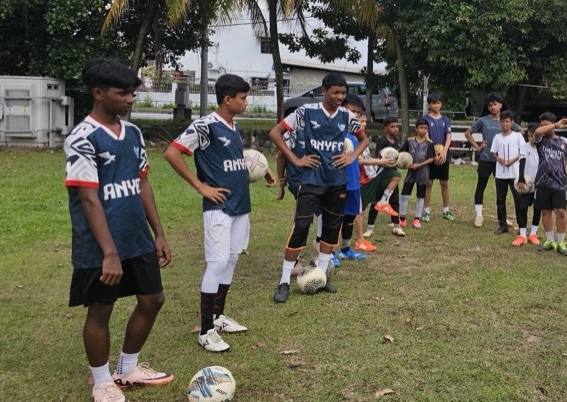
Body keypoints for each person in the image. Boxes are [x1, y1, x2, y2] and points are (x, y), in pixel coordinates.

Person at [65, 58, 174, 402]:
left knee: (153, 299)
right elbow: (89, 198)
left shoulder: (134, 133)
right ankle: (101, 382)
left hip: (136, 237)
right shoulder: (82, 137)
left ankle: (127, 369)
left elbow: (142, 184)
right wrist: (108, 252)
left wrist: (158, 232)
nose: (130, 99)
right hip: (99, 245)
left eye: (132, 93)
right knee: (101, 308)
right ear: (98, 94)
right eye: (122, 93)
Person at [164, 74, 275, 352]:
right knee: (216, 263)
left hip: (240, 204)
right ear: (228, 99)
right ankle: (205, 331)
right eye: (243, 98)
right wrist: (200, 186)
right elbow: (172, 153)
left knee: (232, 259)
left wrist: (265, 169)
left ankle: (218, 317)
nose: (246, 102)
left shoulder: (233, 125)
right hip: (218, 207)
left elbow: (239, 159)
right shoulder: (205, 126)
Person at [268, 72, 368, 303]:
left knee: (332, 229)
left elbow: (363, 138)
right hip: (311, 180)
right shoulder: (306, 111)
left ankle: (322, 275)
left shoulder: (345, 115)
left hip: (336, 181)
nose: (340, 97)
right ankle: (284, 280)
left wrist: (352, 156)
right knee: (301, 226)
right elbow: (275, 133)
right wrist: (295, 160)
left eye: (343, 93)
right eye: (335, 92)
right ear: (324, 91)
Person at [465, 92, 520, 228]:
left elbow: (520, 131)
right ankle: (479, 215)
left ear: (500, 105)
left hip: (502, 162)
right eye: (490, 105)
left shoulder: (506, 120)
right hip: (485, 159)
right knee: (481, 186)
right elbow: (468, 133)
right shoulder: (483, 120)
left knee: (502, 190)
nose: (492, 107)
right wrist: (478, 147)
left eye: (495, 104)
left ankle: (503, 218)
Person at [332, 94, 371, 261]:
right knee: (334, 218)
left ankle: (346, 249)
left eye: (357, 112)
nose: (354, 115)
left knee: (350, 216)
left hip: (353, 182)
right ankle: (329, 252)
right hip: (338, 182)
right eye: (351, 111)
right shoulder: (334, 130)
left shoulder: (357, 135)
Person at [532, 112, 567, 255]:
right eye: (542, 125)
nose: (544, 127)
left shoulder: (564, 142)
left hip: (560, 184)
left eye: (547, 124)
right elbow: (537, 132)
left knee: (561, 212)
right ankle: (550, 240)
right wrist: (555, 125)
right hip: (542, 182)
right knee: (545, 211)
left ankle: (561, 242)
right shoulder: (540, 140)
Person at [363, 116, 405, 238]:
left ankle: (397, 226)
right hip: (382, 174)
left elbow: (397, 158)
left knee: (394, 200)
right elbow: (379, 156)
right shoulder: (382, 141)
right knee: (376, 201)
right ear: (385, 128)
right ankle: (370, 228)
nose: (395, 129)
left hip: (393, 174)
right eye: (392, 127)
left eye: (397, 126)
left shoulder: (396, 141)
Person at [422, 93, 456, 221]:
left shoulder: (445, 120)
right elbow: (425, 137)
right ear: (429, 105)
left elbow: (448, 135)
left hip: (444, 155)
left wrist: (444, 151)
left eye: (438, 103)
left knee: (444, 183)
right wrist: (434, 154)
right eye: (433, 103)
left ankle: (446, 210)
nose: (436, 105)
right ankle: (426, 211)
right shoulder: (425, 119)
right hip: (431, 155)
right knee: (428, 182)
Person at [398, 118, 436, 228]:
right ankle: (402, 218)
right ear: (416, 129)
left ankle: (417, 219)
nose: (423, 130)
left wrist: (418, 165)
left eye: (425, 128)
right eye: (421, 128)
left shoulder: (429, 143)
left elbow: (431, 159)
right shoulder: (409, 141)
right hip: (410, 172)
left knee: (420, 196)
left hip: (423, 173)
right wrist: (405, 164)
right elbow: (401, 154)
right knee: (405, 194)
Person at [512, 123, 542, 246]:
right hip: (527, 183)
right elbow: (522, 161)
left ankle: (533, 233)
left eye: (533, 136)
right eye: (529, 136)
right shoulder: (524, 147)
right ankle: (523, 235)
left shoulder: (543, 147)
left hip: (540, 183)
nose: (531, 139)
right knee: (523, 207)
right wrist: (521, 178)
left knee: (538, 208)